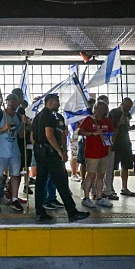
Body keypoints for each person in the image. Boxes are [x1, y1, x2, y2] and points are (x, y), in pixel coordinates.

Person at [32, 94, 90, 223]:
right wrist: (59, 151)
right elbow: (49, 134)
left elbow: (33, 137)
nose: (58, 104)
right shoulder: (48, 116)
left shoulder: (38, 116)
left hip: (40, 152)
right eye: (56, 102)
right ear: (50, 102)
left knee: (40, 183)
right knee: (61, 182)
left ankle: (39, 212)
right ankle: (72, 212)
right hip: (50, 153)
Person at [0, 93, 25, 212]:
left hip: (14, 151)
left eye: (14, 101)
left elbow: (21, 135)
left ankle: (14, 198)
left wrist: (24, 124)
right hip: (0, 152)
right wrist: (4, 128)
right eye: (9, 100)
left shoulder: (18, 117)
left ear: (18, 103)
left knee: (15, 175)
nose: (11, 103)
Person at [78, 101, 114, 209]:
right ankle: (86, 198)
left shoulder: (107, 121)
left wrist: (109, 146)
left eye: (102, 108)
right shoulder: (89, 119)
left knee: (101, 175)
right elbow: (80, 132)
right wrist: (92, 134)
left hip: (104, 152)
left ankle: (99, 197)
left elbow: (111, 134)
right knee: (91, 174)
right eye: (98, 108)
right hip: (92, 152)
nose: (100, 110)